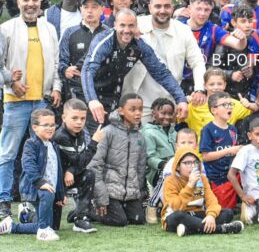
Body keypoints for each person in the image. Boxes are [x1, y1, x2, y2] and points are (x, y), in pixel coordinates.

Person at [0, 0, 62, 219]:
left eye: (34, 0)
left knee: (38, 153)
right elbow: (0, 65)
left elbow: (55, 63)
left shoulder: (49, 28)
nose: (30, 4)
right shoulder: (6, 29)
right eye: (26, 0)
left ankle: (29, 200)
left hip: (41, 102)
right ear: (18, 2)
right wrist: (10, 83)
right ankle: (3, 200)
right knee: (8, 153)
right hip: (16, 101)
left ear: (41, 1)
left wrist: (56, 87)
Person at [81, 8, 188, 136]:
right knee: (97, 139)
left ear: (136, 26)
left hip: (113, 95)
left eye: (131, 25)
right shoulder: (104, 41)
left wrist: (180, 99)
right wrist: (92, 100)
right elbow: (88, 70)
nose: (126, 30)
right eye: (122, 25)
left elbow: (161, 73)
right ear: (115, 25)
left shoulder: (139, 45)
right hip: (87, 92)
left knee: (118, 139)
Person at [123, 0, 208, 122]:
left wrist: (199, 89)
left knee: (166, 141)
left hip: (169, 101)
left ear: (172, 8)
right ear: (150, 7)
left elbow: (197, 62)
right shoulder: (135, 24)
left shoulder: (183, 30)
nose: (162, 10)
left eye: (167, 6)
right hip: (137, 100)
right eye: (158, 6)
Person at [0, 110, 65, 241]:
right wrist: (40, 183)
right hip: (35, 189)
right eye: (45, 125)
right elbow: (28, 165)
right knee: (45, 222)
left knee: (52, 225)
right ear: (34, 127)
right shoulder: (31, 144)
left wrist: (60, 194)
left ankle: (13, 226)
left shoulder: (54, 145)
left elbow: (58, 171)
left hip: (50, 191)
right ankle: (42, 231)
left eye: (52, 125)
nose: (50, 128)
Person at [87, 93, 147, 226]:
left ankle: (119, 207)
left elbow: (140, 170)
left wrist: (139, 194)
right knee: (120, 221)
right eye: (132, 109)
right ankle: (86, 210)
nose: (138, 113)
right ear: (121, 110)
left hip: (129, 193)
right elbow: (95, 166)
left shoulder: (140, 138)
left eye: (140, 109)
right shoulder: (107, 132)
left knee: (139, 219)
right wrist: (101, 198)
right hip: (108, 191)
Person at [162, 148, 244, 236]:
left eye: (195, 162)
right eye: (187, 163)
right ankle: (221, 228)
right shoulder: (170, 181)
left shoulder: (202, 179)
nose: (193, 166)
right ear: (177, 166)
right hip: (176, 216)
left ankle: (189, 229)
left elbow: (212, 201)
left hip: (197, 215)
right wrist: (190, 185)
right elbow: (176, 207)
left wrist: (211, 215)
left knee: (228, 213)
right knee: (179, 215)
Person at [179, 0, 247, 94]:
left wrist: (242, 38)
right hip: (178, 81)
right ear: (189, 9)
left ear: (211, 11)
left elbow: (239, 45)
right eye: (198, 9)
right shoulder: (177, 26)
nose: (202, 13)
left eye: (206, 10)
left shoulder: (214, 29)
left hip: (201, 83)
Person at [52, 99, 99, 233]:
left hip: (67, 177)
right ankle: (28, 214)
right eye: (74, 118)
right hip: (54, 181)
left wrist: (71, 170)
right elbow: (81, 161)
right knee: (53, 226)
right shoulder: (61, 136)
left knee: (89, 174)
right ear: (64, 118)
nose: (79, 122)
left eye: (82, 118)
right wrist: (94, 142)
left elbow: (80, 162)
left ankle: (80, 218)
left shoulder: (80, 133)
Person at [59, 0, 109, 100]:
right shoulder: (70, 32)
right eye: (86, 7)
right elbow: (61, 61)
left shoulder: (109, 33)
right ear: (81, 9)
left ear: (102, 9)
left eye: (94, 7)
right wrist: (65, 70)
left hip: (104, 90)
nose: (89, 11)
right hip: (77, 90)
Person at [184, 68, 255, 142]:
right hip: (199, 152)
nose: (216, 87)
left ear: (225, 85)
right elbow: (176, 117)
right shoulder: (195, 105)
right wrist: (184, 101)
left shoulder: (233, 104)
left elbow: (258, 109)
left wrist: (249, 105)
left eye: (219, 84)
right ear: (205, 86)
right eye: (211, 84)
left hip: (225, 151)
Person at [147, 128, 200, 223]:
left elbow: (202, 186)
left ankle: (194, 212)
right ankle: (152, 206)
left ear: (196, 145)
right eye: (183, 143)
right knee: (162, 183)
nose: (186, 145)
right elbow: (167, 188)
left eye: (190, 142)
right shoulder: (171, 163)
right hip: (172, 192)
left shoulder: (199, 163)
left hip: (188, 193)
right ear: (177, 146)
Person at [199, 92, 242, 209]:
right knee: (221, 210)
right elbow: (206, 156)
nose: (229, 107)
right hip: (215, 179)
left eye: (230, 104)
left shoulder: (233, 129)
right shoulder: (208, 129)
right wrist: (229, 150)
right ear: (214, 110)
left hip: (231, 176)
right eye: (225, 105)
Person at [227, 118, 259, 225]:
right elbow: (231, 175)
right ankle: (248, 208)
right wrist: (243, 196)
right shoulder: (245, 151)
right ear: (249, 135)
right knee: (251, 219)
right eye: (257, 134)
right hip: (252, 198)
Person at [211, 4, 255, 99]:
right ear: (233, 23)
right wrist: (231, 75)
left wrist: (251, 71)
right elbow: (211, 68)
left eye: (250, 21)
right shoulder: (226, 39)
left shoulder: (256, 38)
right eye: (243, 21)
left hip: (250, 93)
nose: (247, 25)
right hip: (228, 93)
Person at [140, 98, 176, 189]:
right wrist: (164, 165)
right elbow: (149, 157)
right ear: (153, 113)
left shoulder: (174, 132)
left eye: (170, 114)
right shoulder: (149, 133)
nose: (167, 117)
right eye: (163, 113)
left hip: (176, 169)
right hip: (157, 172)